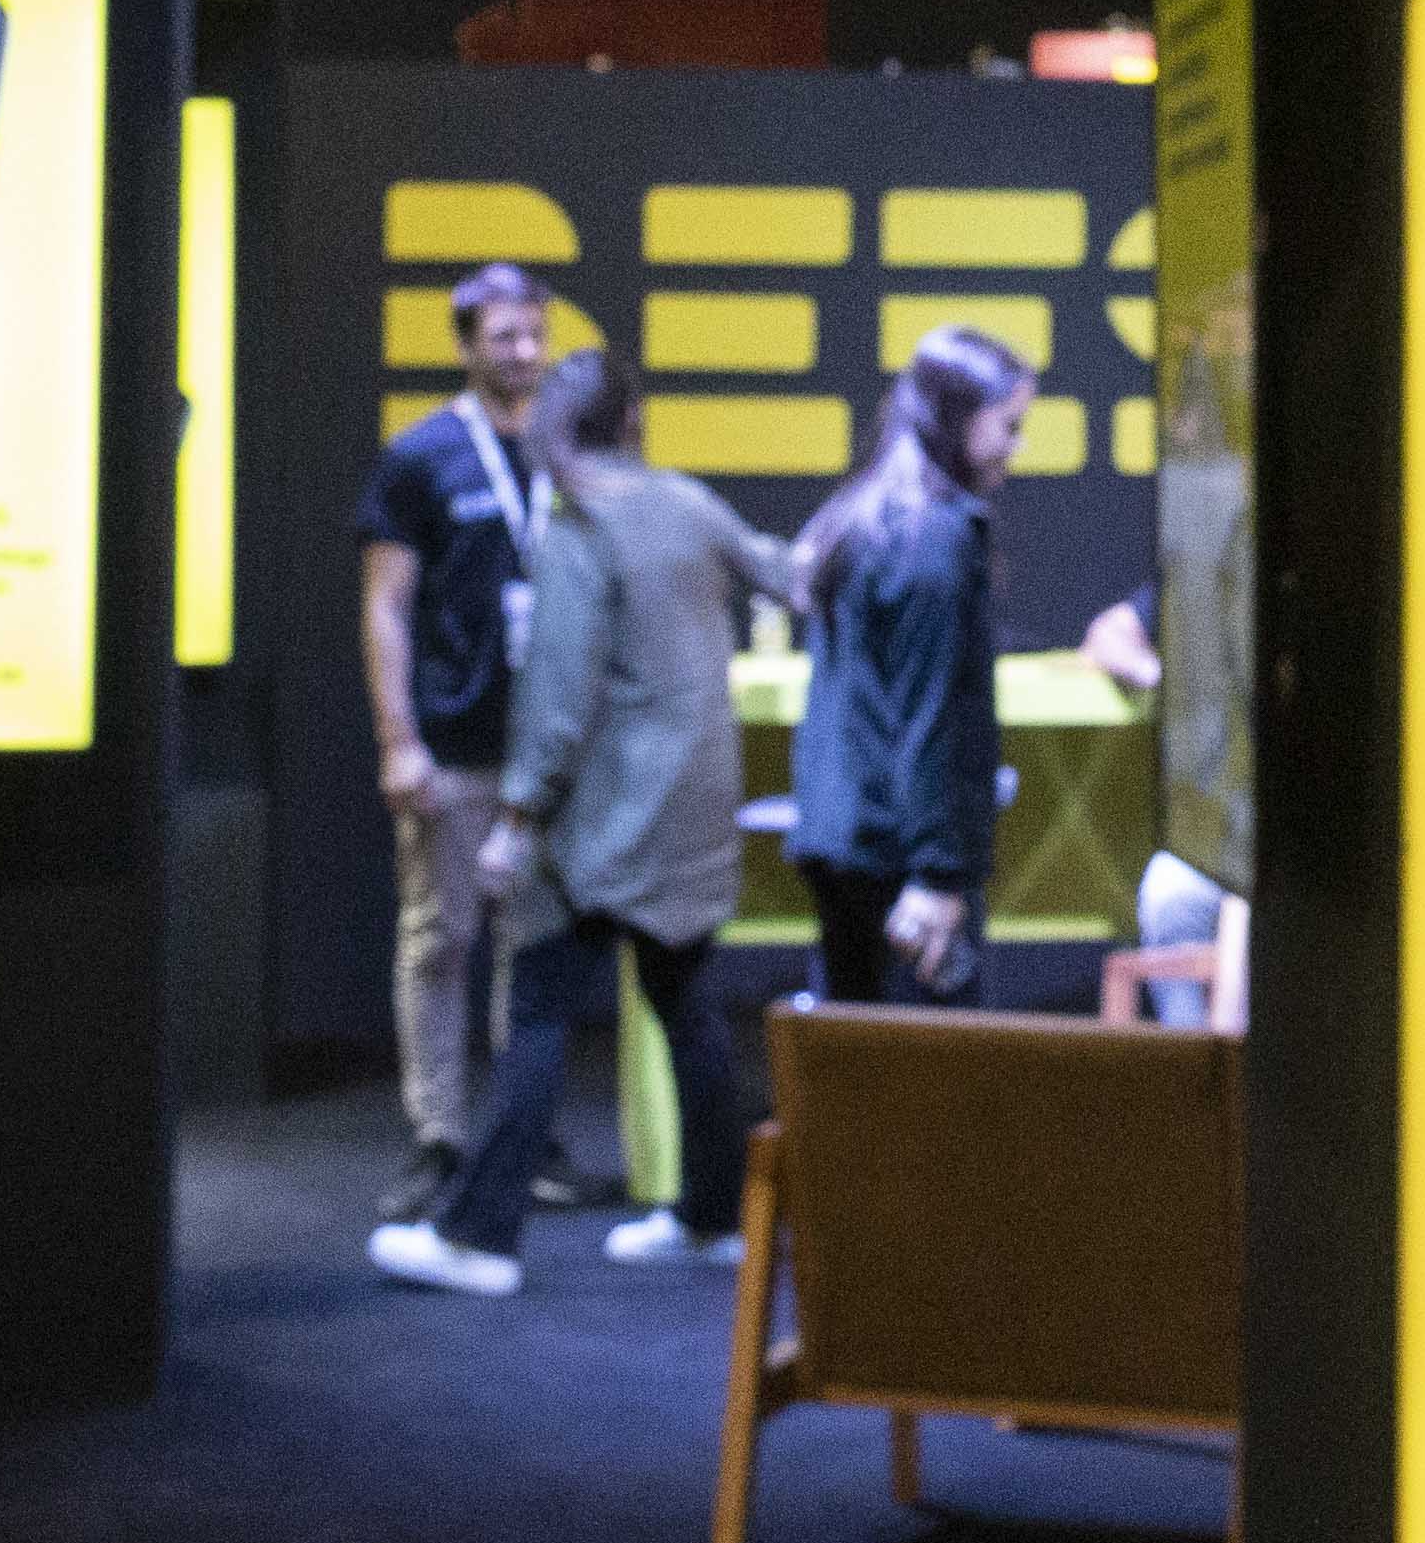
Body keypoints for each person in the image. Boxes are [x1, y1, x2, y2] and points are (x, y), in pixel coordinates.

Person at [372, 345, 784, 1298]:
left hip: (604, 825)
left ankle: (478, 1236)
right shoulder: (686, 501)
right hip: (692, 806)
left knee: (540, 1011)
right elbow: (784, 573)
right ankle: (714, 1215)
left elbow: (556, 700)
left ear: (552, 431)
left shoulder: (578, 527)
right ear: (632, 419)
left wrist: (516, 819)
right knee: (687, 1005)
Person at [355, 260, 557, 1232]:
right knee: (440, 940)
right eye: (504, 335)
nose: (523, 351)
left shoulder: (566, 449)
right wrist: (398, 738)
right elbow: (385, 606)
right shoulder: (422, 456)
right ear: (466, 343)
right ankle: (436, 1133)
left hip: (548, 751)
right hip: (452, 742)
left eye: (535, 333)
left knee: (532, 943)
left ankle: (520, 1134)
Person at [790, 324, 1027, 1007]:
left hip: (845, 842)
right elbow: (933, 720)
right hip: (901, 864)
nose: (1016, 447)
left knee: (858, 1054)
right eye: (1009, 426)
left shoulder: (863, 516)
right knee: (929, 1062)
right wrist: (939, 873)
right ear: (960, 418)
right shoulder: (934, 538)